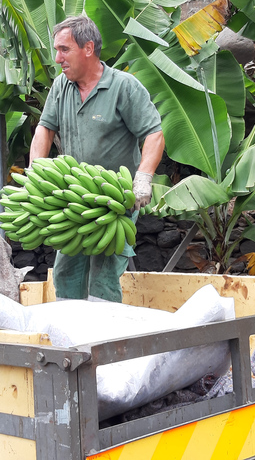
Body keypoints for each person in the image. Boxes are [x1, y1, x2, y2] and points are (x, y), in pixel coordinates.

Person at [28, 15, 165, 302]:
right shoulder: (61, 87)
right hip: (73, 197)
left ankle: (103, 341)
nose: (57, 58)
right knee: (65, 272)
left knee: (103, 277)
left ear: (88, 49)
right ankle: (70, 338)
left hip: (114, 200)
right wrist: (35, 172)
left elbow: (153, 134)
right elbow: (45, 129)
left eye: (64, 49)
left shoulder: (123, 86)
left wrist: (143, 178)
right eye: (57, 50)